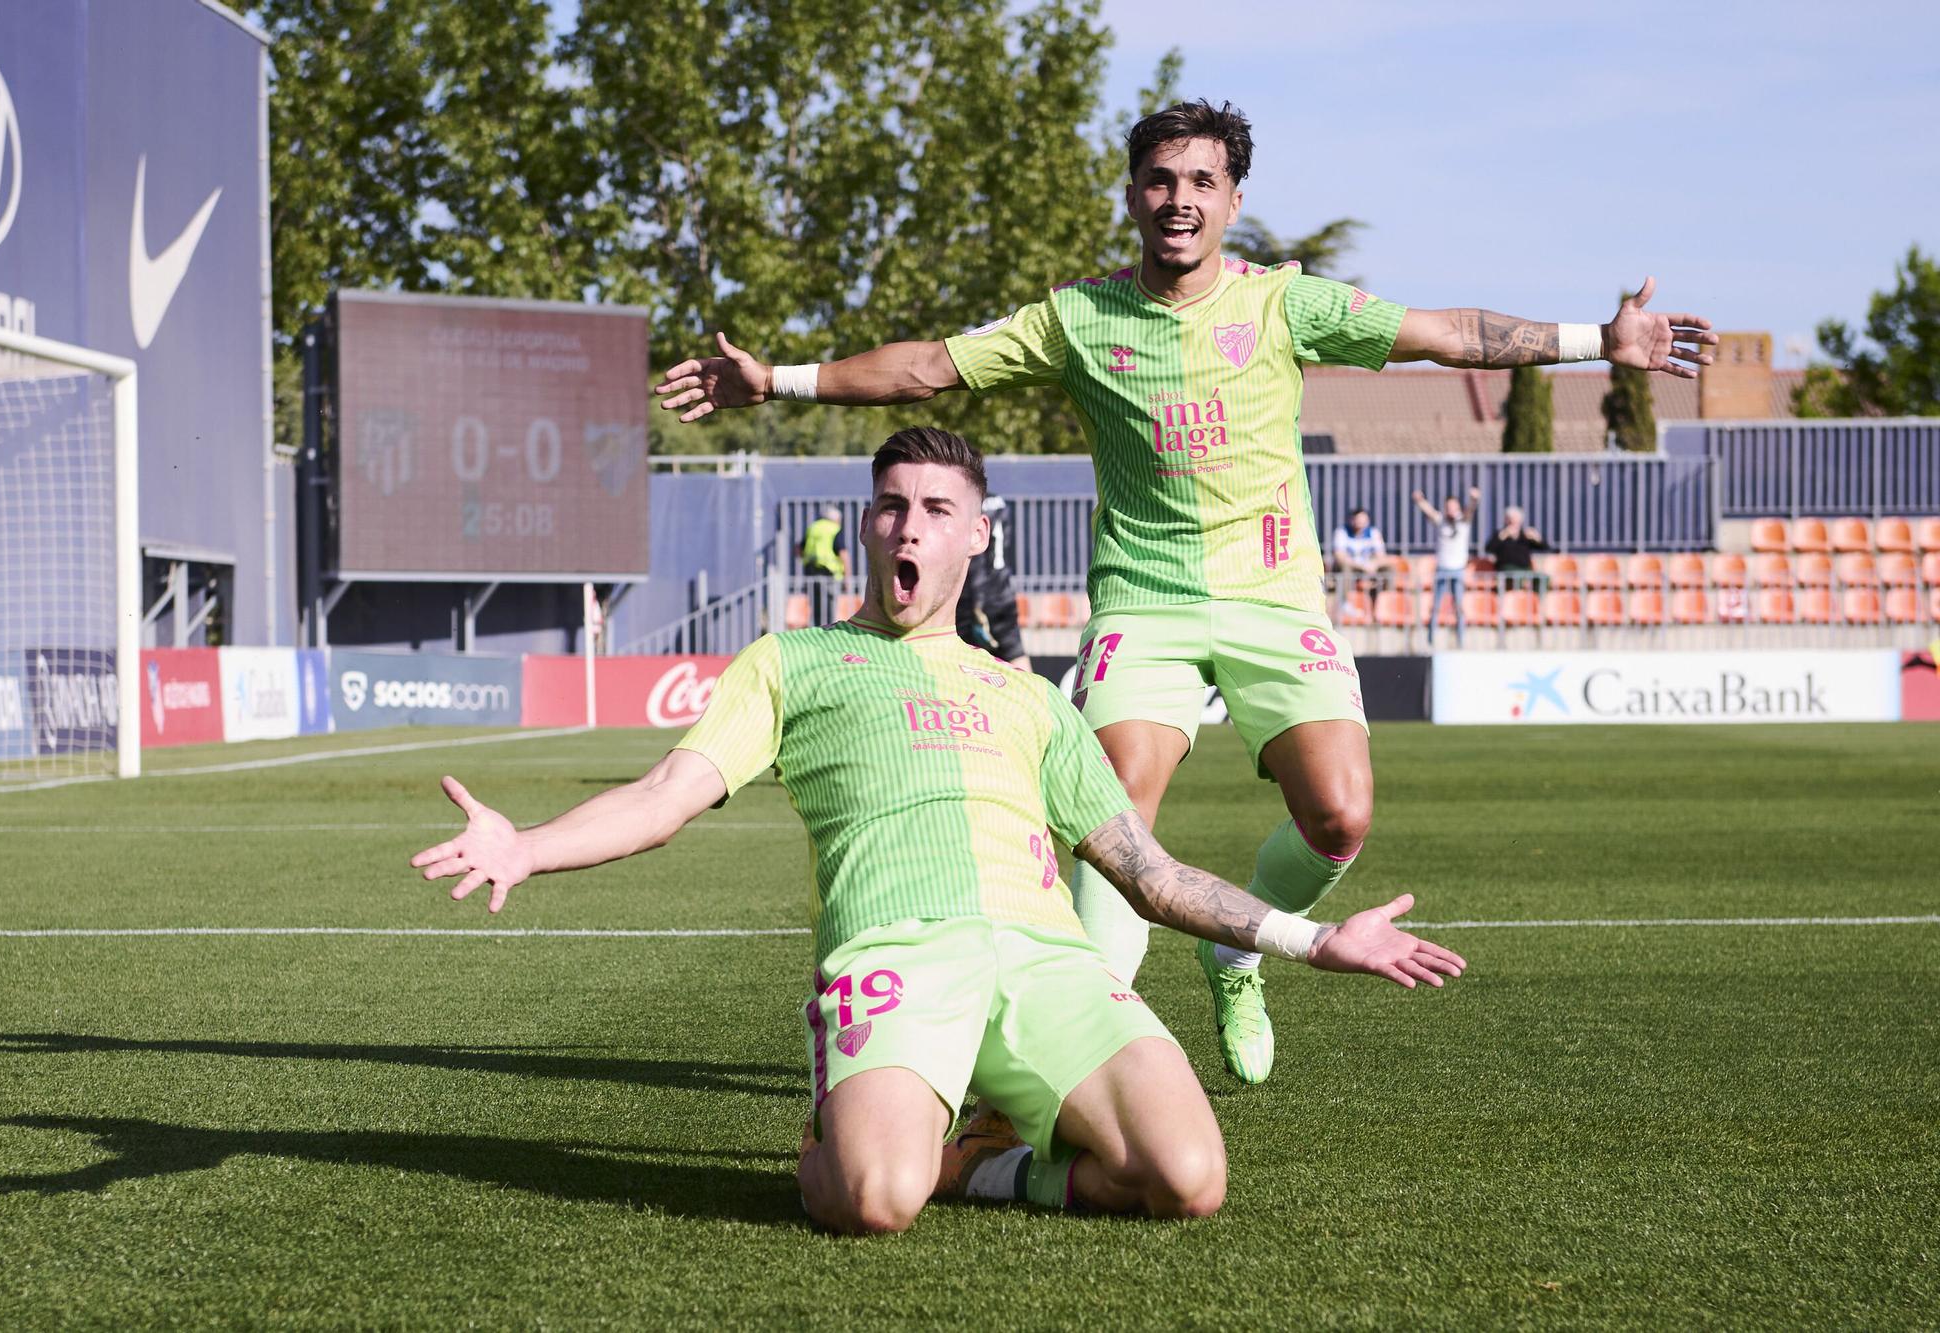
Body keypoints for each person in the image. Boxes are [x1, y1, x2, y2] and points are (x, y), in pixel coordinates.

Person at [653, 98, 1711, 1085]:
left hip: (1275, 600)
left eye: (1201, 181)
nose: (1179, 199)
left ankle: (1233, 960)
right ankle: (1094, 1040)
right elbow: (929, 366)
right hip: (1142, 606)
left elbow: (1442, 334)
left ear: (1232, 200)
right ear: (1131, 194)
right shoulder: (1078, 318)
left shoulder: (1283, 301)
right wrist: (778, 378)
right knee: (1115, 808)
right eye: (1160, 179)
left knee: (1338, 817)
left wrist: (1596, 342)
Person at [410, 428, 1466, 1235]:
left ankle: (979, 1163)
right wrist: (527, 846)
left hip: (1046, 960)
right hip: (897, 954)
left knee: (1188, 1179)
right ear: (870, 526)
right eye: (889, 506)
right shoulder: (793, 662)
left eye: (933, 507)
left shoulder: (1034, 700)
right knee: (872, 1199)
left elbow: (1146, 873)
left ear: (977, 532)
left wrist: (1312, 939)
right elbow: (663, 795)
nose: (907, 525)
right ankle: (847, 1125)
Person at [956, 493, 1031, 670]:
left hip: (979, 599)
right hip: (1003, 592)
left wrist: (978, 605)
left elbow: (977, 564)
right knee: (1015, 654)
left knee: (962, 661)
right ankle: (1037, 696)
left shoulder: (971, 506)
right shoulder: (1000, 502)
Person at [1413, 487, 1480, 647]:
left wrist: (1474, 499)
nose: (1451, 510)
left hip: (1458, 569)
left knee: (1458, 606)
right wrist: (1420, 501)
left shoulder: (1463, 522)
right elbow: (1429, 511)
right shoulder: (1441, 521)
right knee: (1435, 606)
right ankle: (1431, 640)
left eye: (1454, 506)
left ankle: (1460, 640)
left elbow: (1471, 509)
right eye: (1448, 507)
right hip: (1442, 568)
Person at [797, 505, 848, 626]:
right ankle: (828, 634)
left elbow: (798, 549)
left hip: (811, 573)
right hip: (829, 574)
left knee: (815, 607)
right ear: (835, 519)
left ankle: (817, 632)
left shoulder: (813, 527)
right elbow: (843, 555)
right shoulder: (834, 529)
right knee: (829, 608)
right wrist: (846, 578)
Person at [1486, 506, 1551, 592]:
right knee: (1517, 578)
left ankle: (1537, 602)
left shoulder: (1525, 535)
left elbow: (1546, 548)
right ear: (1506, 520)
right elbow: (1489, 549)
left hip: (1525, 569)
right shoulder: (1500, 534)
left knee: (1543, 578)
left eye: (1516, 519)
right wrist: (1502, 536)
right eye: (1511, 519)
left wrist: (1537, 538)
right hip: (1506, 569)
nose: (1513, 521)